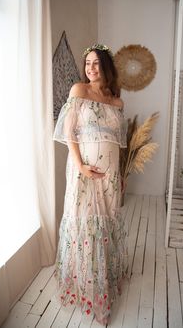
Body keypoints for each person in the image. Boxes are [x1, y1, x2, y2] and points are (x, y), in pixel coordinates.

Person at [53, 43, 128, 325]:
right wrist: (81, 166)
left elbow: (118, 144)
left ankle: (104, 279)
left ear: (107, 67)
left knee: (106, 222)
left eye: (96, 63)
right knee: (85, 223)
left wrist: (119, 175)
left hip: (109, 175)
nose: (91, 69)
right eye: (88, 63)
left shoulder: (117, 101)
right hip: (83, 172)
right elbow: (69, 132)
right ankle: (89, 290)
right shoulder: (78, 91)